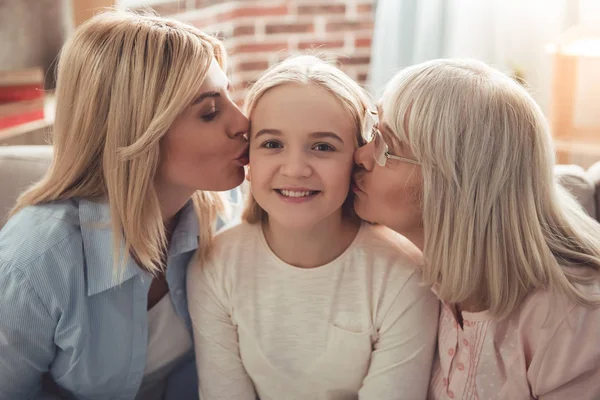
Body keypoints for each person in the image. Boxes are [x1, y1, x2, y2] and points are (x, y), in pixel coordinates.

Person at [0, 10, 248, 400]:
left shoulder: (226, 209)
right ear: (139, 130)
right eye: (210, 112)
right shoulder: (35, 261)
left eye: (231, 96)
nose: (243, 122)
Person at [187, 55, 439, 400]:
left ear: (358, 157)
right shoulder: (214, 264)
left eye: (323, 147)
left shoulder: (405, 273)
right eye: (272, 144)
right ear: (249, 158)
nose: (295, 169)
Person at [353, 58, 600, 399]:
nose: (361, 155)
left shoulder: (574, 323)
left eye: (386, 147)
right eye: (372, 131)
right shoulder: (408, 270)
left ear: (456, 188)